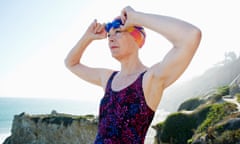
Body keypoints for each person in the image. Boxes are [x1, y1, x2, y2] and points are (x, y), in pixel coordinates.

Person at [65, 6, 201, 144]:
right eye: (109, 35)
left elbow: (191, 35)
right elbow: (71, 63)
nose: (111, 39)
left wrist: (136, 17)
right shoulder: (108, 78)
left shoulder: (149, 80)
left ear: (137, 39)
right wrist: (87, 37)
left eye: (118, 32)